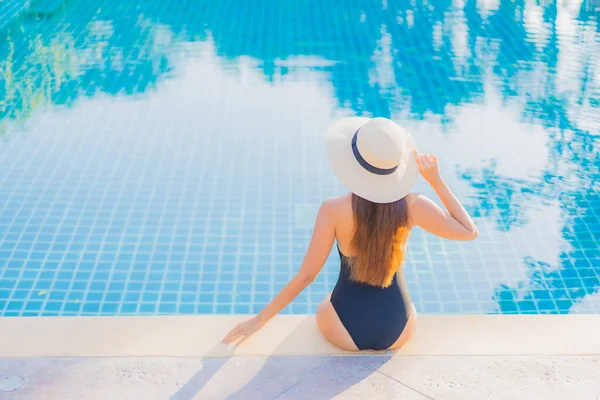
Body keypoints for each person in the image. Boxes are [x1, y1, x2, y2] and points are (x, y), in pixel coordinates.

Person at [223, 117, 479, 351]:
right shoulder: (413, 206)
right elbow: (469, 232)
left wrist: (258, 321)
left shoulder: (332, 210)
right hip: (398, 328)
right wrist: (435, 180)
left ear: (354, 162)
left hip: (345, 331)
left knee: (324, 304)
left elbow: (307, 276)